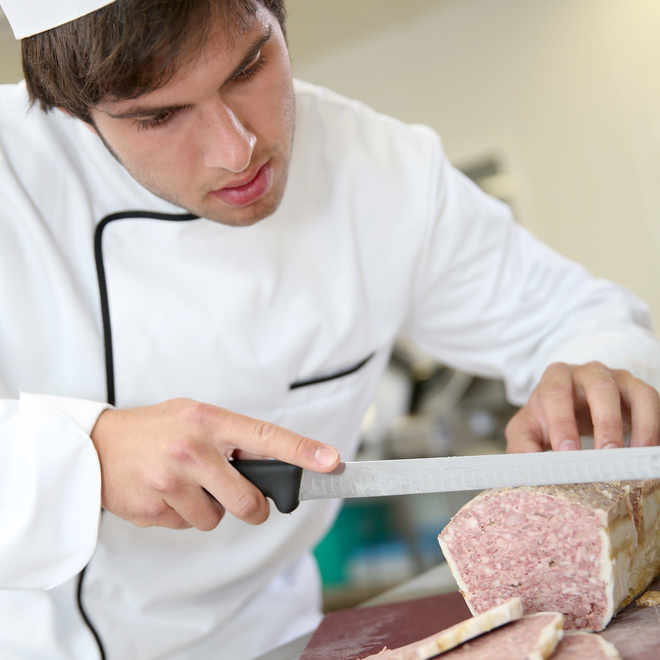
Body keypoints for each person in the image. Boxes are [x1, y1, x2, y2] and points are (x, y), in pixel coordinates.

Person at [0, 0, 659, 658]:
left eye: (250, 64)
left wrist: (593, 373)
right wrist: (73, 456)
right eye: (159, 115)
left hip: (267, 641)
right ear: (69, 113)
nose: (238, 150)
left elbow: (578, 317)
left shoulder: (378, 174)